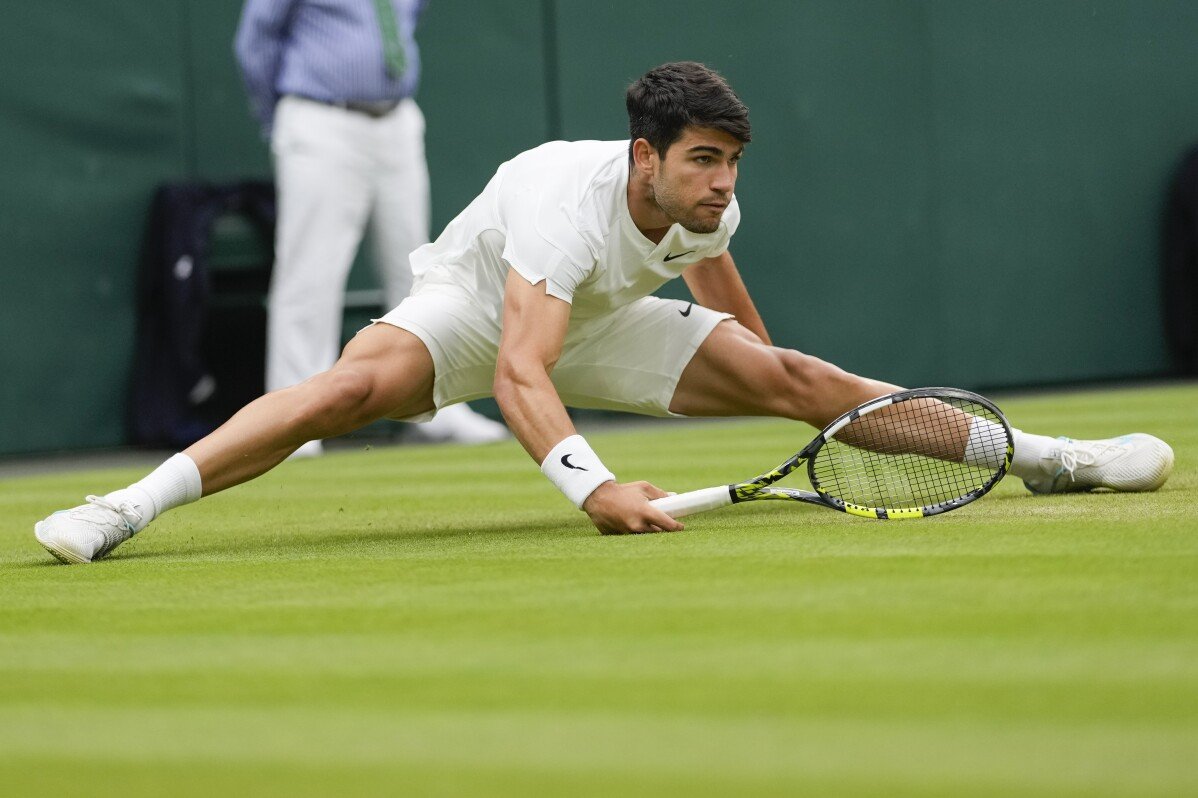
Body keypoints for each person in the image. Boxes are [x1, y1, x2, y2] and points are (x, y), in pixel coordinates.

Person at [35, 62, 1173, 563]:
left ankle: (1046, 456)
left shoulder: (709, 200)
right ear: (645, 155)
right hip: (477, 314)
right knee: (338, 390)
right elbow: (522, 372)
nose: (723, 182)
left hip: (596, 323)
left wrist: (770, 377)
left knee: (809, 378)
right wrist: (595, 488)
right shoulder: (561, 200)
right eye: (703, 161)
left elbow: (724, 289)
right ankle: (126, 507)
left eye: (730, 162)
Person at [233, 0, 508, 452]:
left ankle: (436, 403)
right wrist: (279, 118)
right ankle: (294, 421)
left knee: (420, 271)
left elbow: (404, 22)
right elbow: (256, 42)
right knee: (310, 275)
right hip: (321, 118)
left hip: (397, 119)